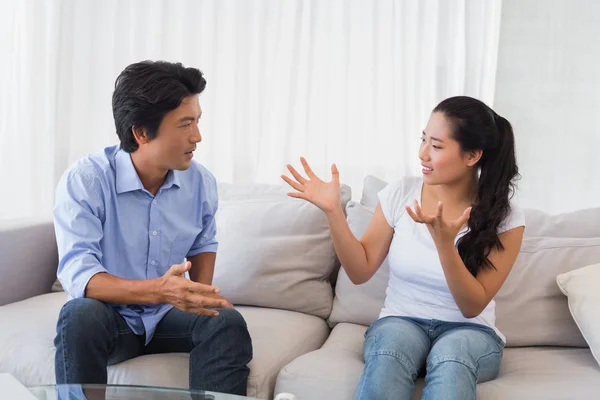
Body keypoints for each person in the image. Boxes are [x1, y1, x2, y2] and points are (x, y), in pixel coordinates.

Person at [281, 96, 525, 400]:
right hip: (401, 321)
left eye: (436, 146)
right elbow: (360, 270)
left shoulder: (506, 216)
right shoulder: (401, 192)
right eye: (423, 140)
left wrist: (444, 245)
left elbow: (471, 306)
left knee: (451, 356)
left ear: (472, 155)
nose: (422, 154)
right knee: (391, 349)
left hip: (471, 332)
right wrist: (333, 212)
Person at [53, 60, 252, 395]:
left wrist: (201, 297)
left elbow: (204, 241)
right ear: (141, 132)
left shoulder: (200, 182)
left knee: (226, 322)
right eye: (185, 124)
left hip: (167, 317)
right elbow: (80, 275)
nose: (197, 136)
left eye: (197, 121)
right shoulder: (86, 180)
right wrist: (161, 290)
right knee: (78, 315)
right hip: (110, 318)